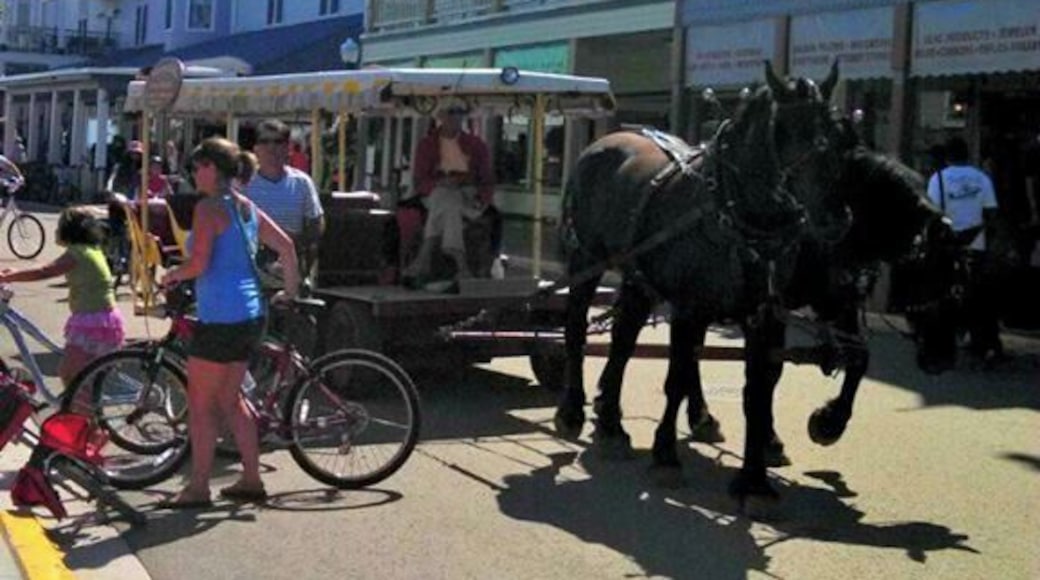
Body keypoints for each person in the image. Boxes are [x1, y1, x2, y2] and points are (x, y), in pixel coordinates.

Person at [159, 137, 299, 508]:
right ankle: (250, 479)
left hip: (220, 315)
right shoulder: (245, 206)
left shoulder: (208, 209)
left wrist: (172, 275)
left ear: (213, 169)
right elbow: (286, 245)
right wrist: (290, 291)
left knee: (202, 405)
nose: (194, 173)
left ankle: (198, 487)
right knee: (231, 399)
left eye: (198, 166)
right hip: (250, 315)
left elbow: (200, 264)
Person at [0, 207, 124, 386]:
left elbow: (45, 272)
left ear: (69, 231)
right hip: (104, 318)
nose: (56, 231)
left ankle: (81, 411)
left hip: (92, 320)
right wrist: (14, 272)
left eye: (59, 227)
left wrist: (8, 276)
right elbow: (52, 265)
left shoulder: (77, 253)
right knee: (84, 375)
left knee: (68, 373)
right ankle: (86, 408)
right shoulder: (90, 249)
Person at [926, 136, 1004, 363]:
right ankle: (985, 341)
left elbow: (932, 212)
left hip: (947, 247)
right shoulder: (982, 178)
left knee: (939, 293)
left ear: (947, 157)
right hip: (975, 246)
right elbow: (991, 213)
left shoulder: (938, 179)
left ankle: (943, 340)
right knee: (979, 295)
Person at [404, 103, 494, 281]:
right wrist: (441, 182)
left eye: (461, 113)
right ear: (441, 116)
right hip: (435, 192)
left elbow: (487, 180)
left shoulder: (476, 145)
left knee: (447, 201)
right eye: (452, 112)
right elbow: (419, 180)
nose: (456, 117)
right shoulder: (427, 144)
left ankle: (424, 257)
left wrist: (481, 197)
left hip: (468, 196)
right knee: (445, 196)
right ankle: (460, 263)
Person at [245, 120, 324, 285]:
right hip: (251, 270)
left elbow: (315, 225)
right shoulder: (244, 184)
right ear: (256, 149)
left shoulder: (302, 182)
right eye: (264, 141)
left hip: (290, 265)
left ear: (288, 148)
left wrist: (302, 262)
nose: (271, 148)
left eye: (278, 141)